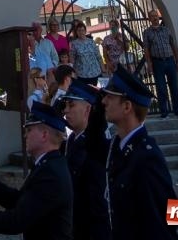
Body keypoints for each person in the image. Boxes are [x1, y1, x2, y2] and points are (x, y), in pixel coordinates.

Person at [0, 102, 73, 240]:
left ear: (44, 135)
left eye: (29, 130)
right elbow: (21, 201)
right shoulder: (48, 164)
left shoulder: (50, 172)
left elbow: (18, 220)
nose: (25, 135)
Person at [101, 65, 178, 240]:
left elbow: (161, 220)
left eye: (110, 97)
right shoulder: (117, 146)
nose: (103, 101)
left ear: (127, 106)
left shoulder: (146, 157)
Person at [60, 84, 110, 240]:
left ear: (88, 109)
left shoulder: (95, 148)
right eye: (65, 105)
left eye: (71, 105)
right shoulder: (71, 141)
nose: (65, 110)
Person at [142, 8, 178, 118]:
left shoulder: (166, 30)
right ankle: (164, 111)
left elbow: (173, 45)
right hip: (157, 62)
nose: (155, 18)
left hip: (170, 60)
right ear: (149, 19)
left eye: (156, 16)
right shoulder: (147, 33)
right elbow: (146, 49)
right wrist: (149, 64)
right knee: (161, 88)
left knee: (174, 86)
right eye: (152, 16)